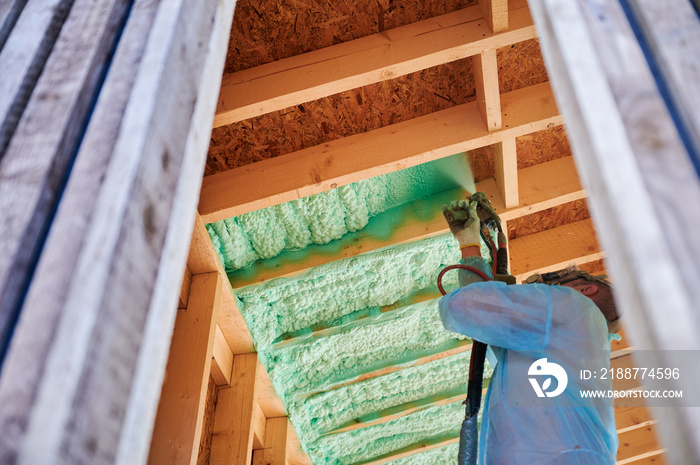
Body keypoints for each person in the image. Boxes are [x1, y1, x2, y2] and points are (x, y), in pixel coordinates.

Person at [439, 200, 621, 465]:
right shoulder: (576, 351)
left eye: (561, 284)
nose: (550, 289)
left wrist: (471, 246)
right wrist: (469, 244)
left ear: (585, 290)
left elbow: (466, 307)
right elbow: (489, 324)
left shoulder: (575, 306)